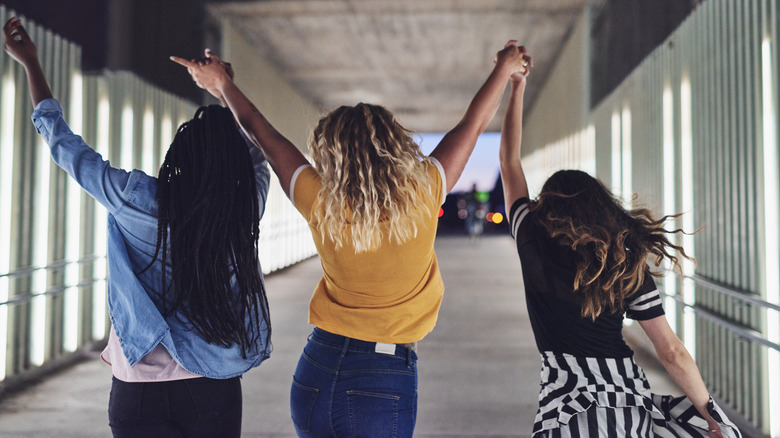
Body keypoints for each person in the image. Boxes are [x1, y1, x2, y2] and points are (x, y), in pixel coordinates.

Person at [172, 40, 530, 437]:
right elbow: (474, 123)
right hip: (381, 377)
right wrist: (506, 70)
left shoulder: (318, 198)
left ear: (331, 153)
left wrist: (223, 85)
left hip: (317, 365)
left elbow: (261, 131)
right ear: (394, 145)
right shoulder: (424, 192)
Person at [4, 18, 273, 437]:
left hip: (138, 390)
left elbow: (63, 145)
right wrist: (224, 91)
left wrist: (31, 64)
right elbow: (259, 149)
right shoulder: (243, 208)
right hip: (213, 388)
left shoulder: (136, 199)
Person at [498, 47, 742, 437]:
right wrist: (712, 414)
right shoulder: (623, 265)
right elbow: (671, 352)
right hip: (628, 408)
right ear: (600, 211)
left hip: (567, 412)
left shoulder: (533, 242)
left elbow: (510, 162)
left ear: (547, 211)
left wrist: (515, 86)